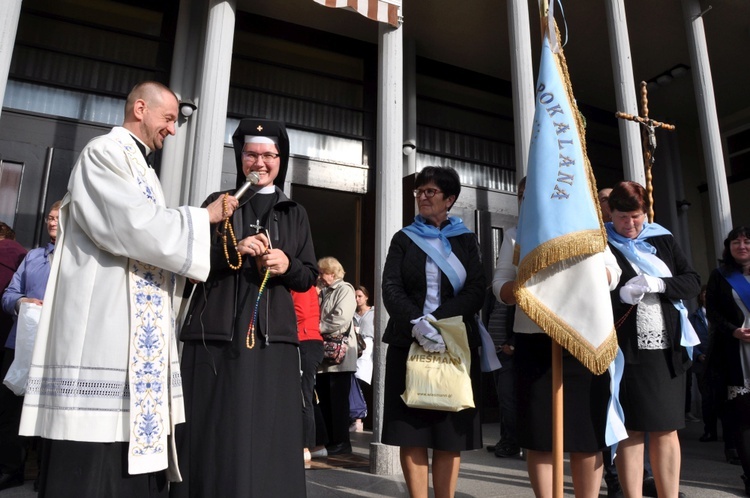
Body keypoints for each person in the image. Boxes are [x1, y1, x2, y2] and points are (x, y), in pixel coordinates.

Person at [16, 81, 236, 497]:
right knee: (95, 458)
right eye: (168, 118)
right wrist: (198, 219)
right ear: (140, 108)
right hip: (103, 324)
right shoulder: (103, 153)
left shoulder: (144, 169)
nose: (173, 130)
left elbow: (149, 234)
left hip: (134, 331)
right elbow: (130, 225)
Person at [172, 119, 317, 497]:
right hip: (216, 332)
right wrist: (233, 251)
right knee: (214, 423)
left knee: (267, 427)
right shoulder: (217, 203)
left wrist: (288, 265)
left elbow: (309, 276)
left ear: (280, 160)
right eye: (252, 154)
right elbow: (189, 259)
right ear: (240, 157)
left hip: (273, 337)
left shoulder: (295, 211)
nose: (260, 162)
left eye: (269, 155)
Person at [493, 177, 620, 498]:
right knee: (540, 435)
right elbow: (500, 286)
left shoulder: (587, 230)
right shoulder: (515, 236)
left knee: (586, 435)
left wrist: (587, 271)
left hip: (583, 339)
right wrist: (520, 288)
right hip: (535, 341)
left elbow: (613, 274)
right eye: (522, 196)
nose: (528, 201)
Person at [382, 166, 485, 498]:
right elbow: (391, 287)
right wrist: (417, 322)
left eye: (430, 192)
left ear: (449, 199)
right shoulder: (403, 238)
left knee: (447, 432)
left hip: (452, 342)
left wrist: (438, 321)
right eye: (419, 192)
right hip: (407, 340)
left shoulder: (466, 240)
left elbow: (475, 289)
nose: (422, 197)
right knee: (411, 431)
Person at [606, 180, 700, 498]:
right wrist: (620, 295)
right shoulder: (600, 244)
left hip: (667, 349)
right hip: (628, 351)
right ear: (611, 213)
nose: (630, 224)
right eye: (622, 217)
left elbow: (691, 281)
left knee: (666, 428)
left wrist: (660, 285)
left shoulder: (661, 238)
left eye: (636, 216)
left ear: (644, 212)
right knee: (631, 428)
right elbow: (590, 296)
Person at [0, 210, 53, 492]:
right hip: (20, 341)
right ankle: (11, 468)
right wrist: (22, 303)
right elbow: (9, 294)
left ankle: (46, 471)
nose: (52, 221)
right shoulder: (32, 256)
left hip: (55, 344)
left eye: (59, 217)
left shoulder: (79, 257)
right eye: (50, 218)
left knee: (48, 407)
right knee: (10, 406)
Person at [705, 226, 750, 496]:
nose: (742, 246)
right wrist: (733, 330)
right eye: (736, 242)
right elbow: (713, 312)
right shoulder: (721, 276)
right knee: (745, 418)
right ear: (729, 246)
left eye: (747, 241)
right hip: (738, 354)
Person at [316, 256, 357, 456]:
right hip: (326, 357)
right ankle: (332, 441)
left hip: (340, 358)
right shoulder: (324, 291)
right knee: (325, 399)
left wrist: (318, 327)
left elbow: (341, 317)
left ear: (332, 273)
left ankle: (341, 442)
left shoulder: (344, 289)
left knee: (338, 401)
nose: (320, 277)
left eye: (322, 273)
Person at [291, 285, 324, 465]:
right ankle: (313, 444)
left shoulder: (301, 284)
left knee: (304, 396)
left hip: (306, 341)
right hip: (306, 340)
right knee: (307, 395)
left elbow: (300, 312)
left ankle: (305, 446)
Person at [690, 285, 718, 442]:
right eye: (704, 293)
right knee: (707, 399)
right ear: (700, 297)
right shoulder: (694, 318)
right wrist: (699, 355)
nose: (707, 296)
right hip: (703, 364)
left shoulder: (721, 315)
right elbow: (689, 341)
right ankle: (710, 431)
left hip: (721, 362)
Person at [352, 285, 374, 432]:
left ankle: (361, 418)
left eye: (360, 296)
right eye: (355, 296)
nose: (357, 299)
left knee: (362, 377)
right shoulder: (352, 314)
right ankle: (357, 419)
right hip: (354, 347)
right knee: (355, 378)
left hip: (369, 348)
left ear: (366, 297)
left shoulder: (373, 313)